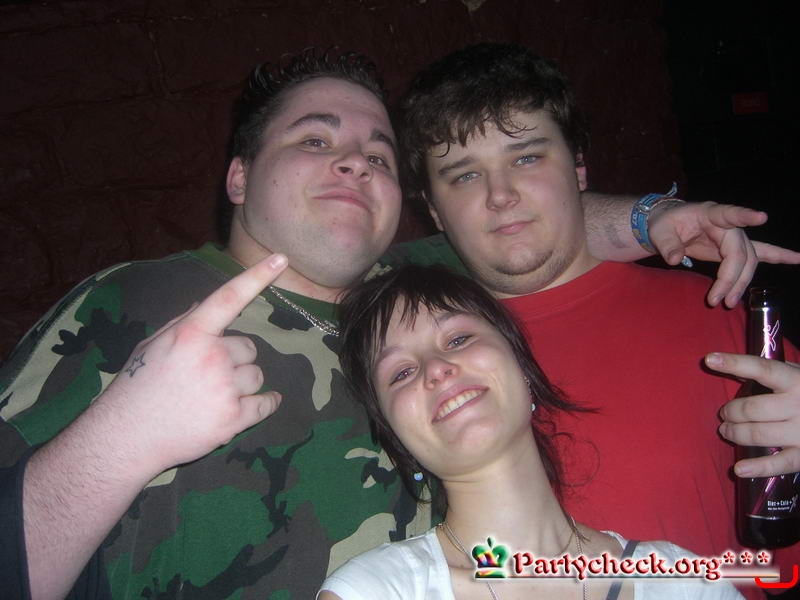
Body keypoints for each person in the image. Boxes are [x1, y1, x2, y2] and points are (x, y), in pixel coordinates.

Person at [0, 48, 793, 599]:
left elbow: (519, 222)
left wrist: (655, 216)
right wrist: (122, 437)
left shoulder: (417, 294)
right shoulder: (135, 301)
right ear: (238, 176)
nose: (354, 161)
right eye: (315, 139)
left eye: (378, 155)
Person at [390, 42, 800, 596]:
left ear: (579, 167)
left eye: (526, 158)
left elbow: (781, 568)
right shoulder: (416, 368)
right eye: (464, 176)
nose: (500, 195)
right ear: (433, 210)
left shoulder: (715, 318)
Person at [319, 264, 743, 599]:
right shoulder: (375, 591)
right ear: (396, 438)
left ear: (524, 369)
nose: (436, 369)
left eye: (458, 339)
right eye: (402, 372)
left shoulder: (686, 586)